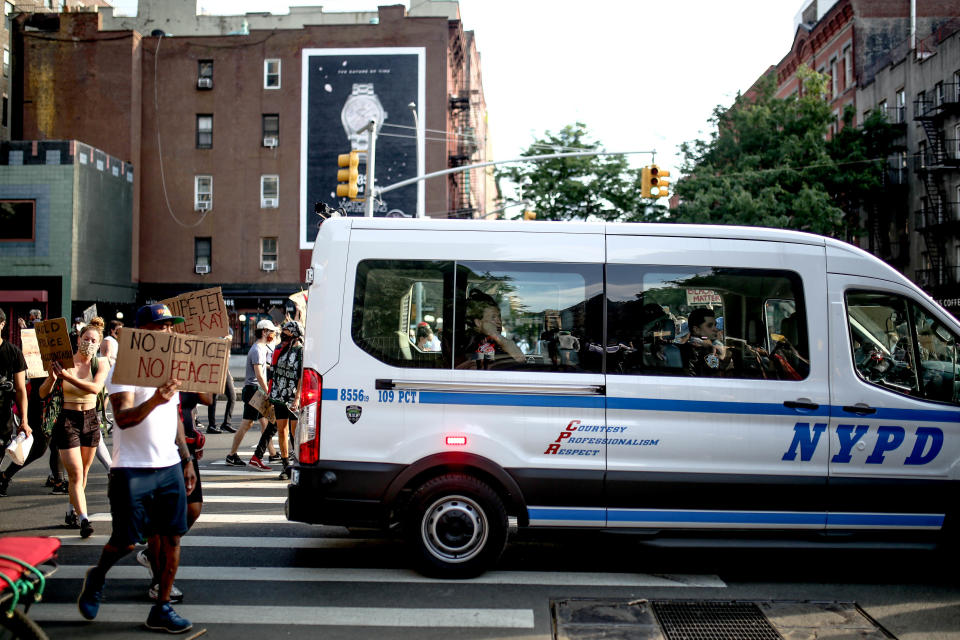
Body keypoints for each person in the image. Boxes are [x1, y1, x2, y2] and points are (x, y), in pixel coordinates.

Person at [77, 303, 196, 634]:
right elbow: (124, 419)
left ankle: (162, 607)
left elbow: (174, 418)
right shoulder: (122, 370)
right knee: (126, 542)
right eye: (161, 327)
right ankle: (97, 575)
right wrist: (156, 399)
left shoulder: (170, 367)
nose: (168, 332)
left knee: (172, 538)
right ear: (143, 333)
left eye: (171, 327)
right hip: (132, 469)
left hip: (169, 466)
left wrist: (185, 460)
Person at [39, 317, 109, 538]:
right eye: (85, 338)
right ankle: (84, 520)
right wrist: (52, 378)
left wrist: (67, 376)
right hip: (67, 419)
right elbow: (42, 393)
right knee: (76, 474)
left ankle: (72, 510)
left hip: (89, 419)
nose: (89, 342)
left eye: (93, 340)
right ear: (78, 339)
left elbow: (95, 388)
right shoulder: (63, 362)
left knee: (84, 472)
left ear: (99, 344)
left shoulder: (102, 363)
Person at [225, 318, 278, 470]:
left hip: (255, 390)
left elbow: (263, 368)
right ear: (264, 332)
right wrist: (268, 392)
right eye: (271, 332)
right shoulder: (257, 350)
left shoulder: (262, 348)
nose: (273, 335)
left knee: (264, 422)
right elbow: (259, 374)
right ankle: (234, 455)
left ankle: (272, 454)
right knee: (251, 423)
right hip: (254, 390)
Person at [265, 321, 302, 480]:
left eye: (287, 331)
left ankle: (296, 464)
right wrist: (270, 391)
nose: (283, 334)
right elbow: (273, 371)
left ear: (294, 333)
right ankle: (286, 465)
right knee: (281, 430)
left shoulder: (301, 351)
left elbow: (301, 376)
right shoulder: (279, 349)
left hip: (293, 398)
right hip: (279, 396)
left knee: (295, 433)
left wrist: (298, 398)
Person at [0, 309, 30, 497]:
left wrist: (24, 420)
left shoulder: (13, 353)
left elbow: (20, 390)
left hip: (2, 419)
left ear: (2, 324)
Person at [456, 290, 525, 369]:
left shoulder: (494, 341)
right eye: (493, 317)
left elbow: (521, 359)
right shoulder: (470, 343)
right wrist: (496, 336)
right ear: (478, 322)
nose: (499, 321)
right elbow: (520, 359)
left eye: (499, 317)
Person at [204, 326, 236, 434]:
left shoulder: (227, 343)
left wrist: (229, 374)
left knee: (232, 396)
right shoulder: (214, 338)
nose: (230, 339)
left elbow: (226, 361)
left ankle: (226, 423)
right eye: (228, 338)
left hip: (224, 370)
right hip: (213, 368)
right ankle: (211, 425)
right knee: (213, 397)